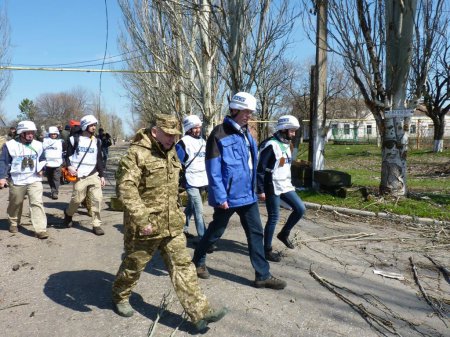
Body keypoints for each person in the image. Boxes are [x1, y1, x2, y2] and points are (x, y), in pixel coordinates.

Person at [111, 114, 227, 331]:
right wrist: (142, 218)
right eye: (168, 135)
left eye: (175, 135)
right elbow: (126, 188)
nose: (172, 139)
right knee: (134, 265)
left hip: (171, 224)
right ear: (155, 131)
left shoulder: (171, 151)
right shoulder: (137, 153)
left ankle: (200, 312)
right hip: (145, 226)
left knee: (183, 266)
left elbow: (172, 185)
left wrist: (179, 209)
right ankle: (120, 295)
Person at [192, 92, 286, 290]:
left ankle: (262, 275)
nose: (248, 115)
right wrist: (219, 196)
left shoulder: (246, 134)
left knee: (256, 233)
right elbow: (213, 168)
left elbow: (252, 165)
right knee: (215, 232)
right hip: (228, 196)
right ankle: (198, 261)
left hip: (248, 195)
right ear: (234, 109)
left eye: (250, 112)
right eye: (245, 111)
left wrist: (257, 189)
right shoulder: (218, 134)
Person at [257, 115, 306, 262]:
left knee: (300, 209)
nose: (294, 134)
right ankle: (267, 250)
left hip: (285, 184)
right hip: (272, 185)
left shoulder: (286, 144)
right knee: (273, 218)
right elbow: (260, 169)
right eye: (292, 131)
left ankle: (284, 233)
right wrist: (260, 190)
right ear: (283, 130)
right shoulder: (271, 145)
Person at [0, 121, 49, 239]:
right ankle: (13, 222)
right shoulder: (10, 145)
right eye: (28, 133)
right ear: (21, 133)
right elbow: (4, 161)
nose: (31, 135)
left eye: (33, 132)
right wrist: (2, 177)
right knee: (16, 202)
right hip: (17, 180)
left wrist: (42, 168)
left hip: (34, 179)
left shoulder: (38, 145)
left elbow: (43, 159)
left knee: (37, 202)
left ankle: (40, 229)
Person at [63, 114, 106, 236]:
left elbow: (99, 159)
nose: (94, 127)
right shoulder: (73, 139)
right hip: (79, 176)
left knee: (97, 199)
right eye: (91, 125)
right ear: (85, 126)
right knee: (77, 199)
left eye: (94, 125)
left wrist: (102, 175)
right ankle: (68, 214)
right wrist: (69, 166)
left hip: (93, 174)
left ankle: (96, 224)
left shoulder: (97, 141)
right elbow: (67, 156)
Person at [175, 115, 208, 240]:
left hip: (202, 180)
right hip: (191, 181)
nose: (197, 130)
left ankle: (182, 228)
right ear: (188, 129)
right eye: (195, 127)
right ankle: (203, 239)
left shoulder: (203, 141)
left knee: (191, 206)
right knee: (199, 211)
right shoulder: (182, 143)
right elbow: (176, 162)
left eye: (199, 127)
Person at [43, 126, 63, 200]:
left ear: (57, 134)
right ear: (49, 134)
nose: (53, 135)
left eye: (55, 134)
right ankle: (53, 189)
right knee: (50, 178)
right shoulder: (45, 141)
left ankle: (55, 192)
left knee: (56, 178)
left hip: (57, 163)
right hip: (48, 163)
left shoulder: (61, 141)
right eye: (52, 134)